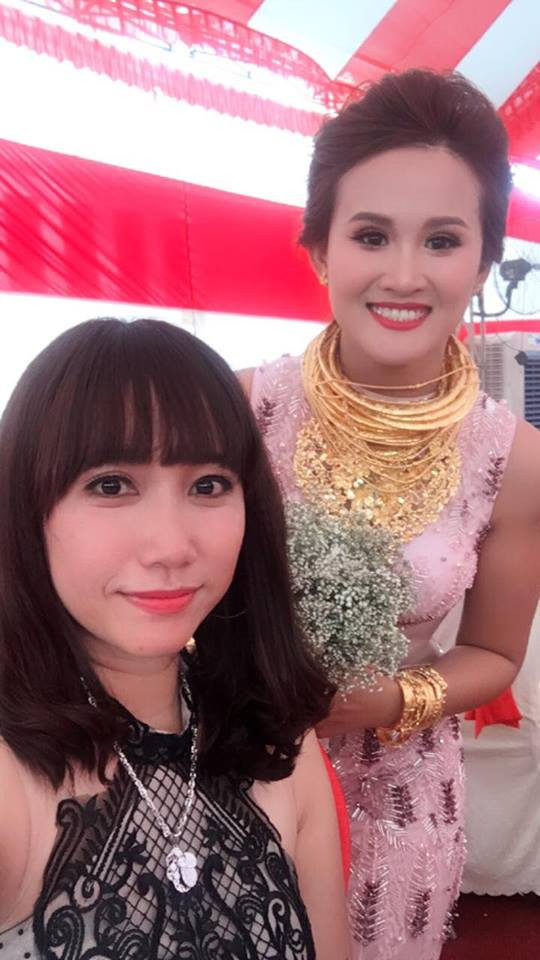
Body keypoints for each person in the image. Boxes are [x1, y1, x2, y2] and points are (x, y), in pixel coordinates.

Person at [238, 69, 540, 959]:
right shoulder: (238, 410)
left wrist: (392, 698)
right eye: (371, 235)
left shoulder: (514, 458)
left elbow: (495, 656)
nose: (404, 275)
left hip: (397, 799)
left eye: (442, 240)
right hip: (234, 767)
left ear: (481, 263)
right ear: (321, 251)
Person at [0, 318, 350, 959]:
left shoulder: (277, 742)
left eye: (208, 485)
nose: (170, 547)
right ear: (27, 509)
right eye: (110, 485)